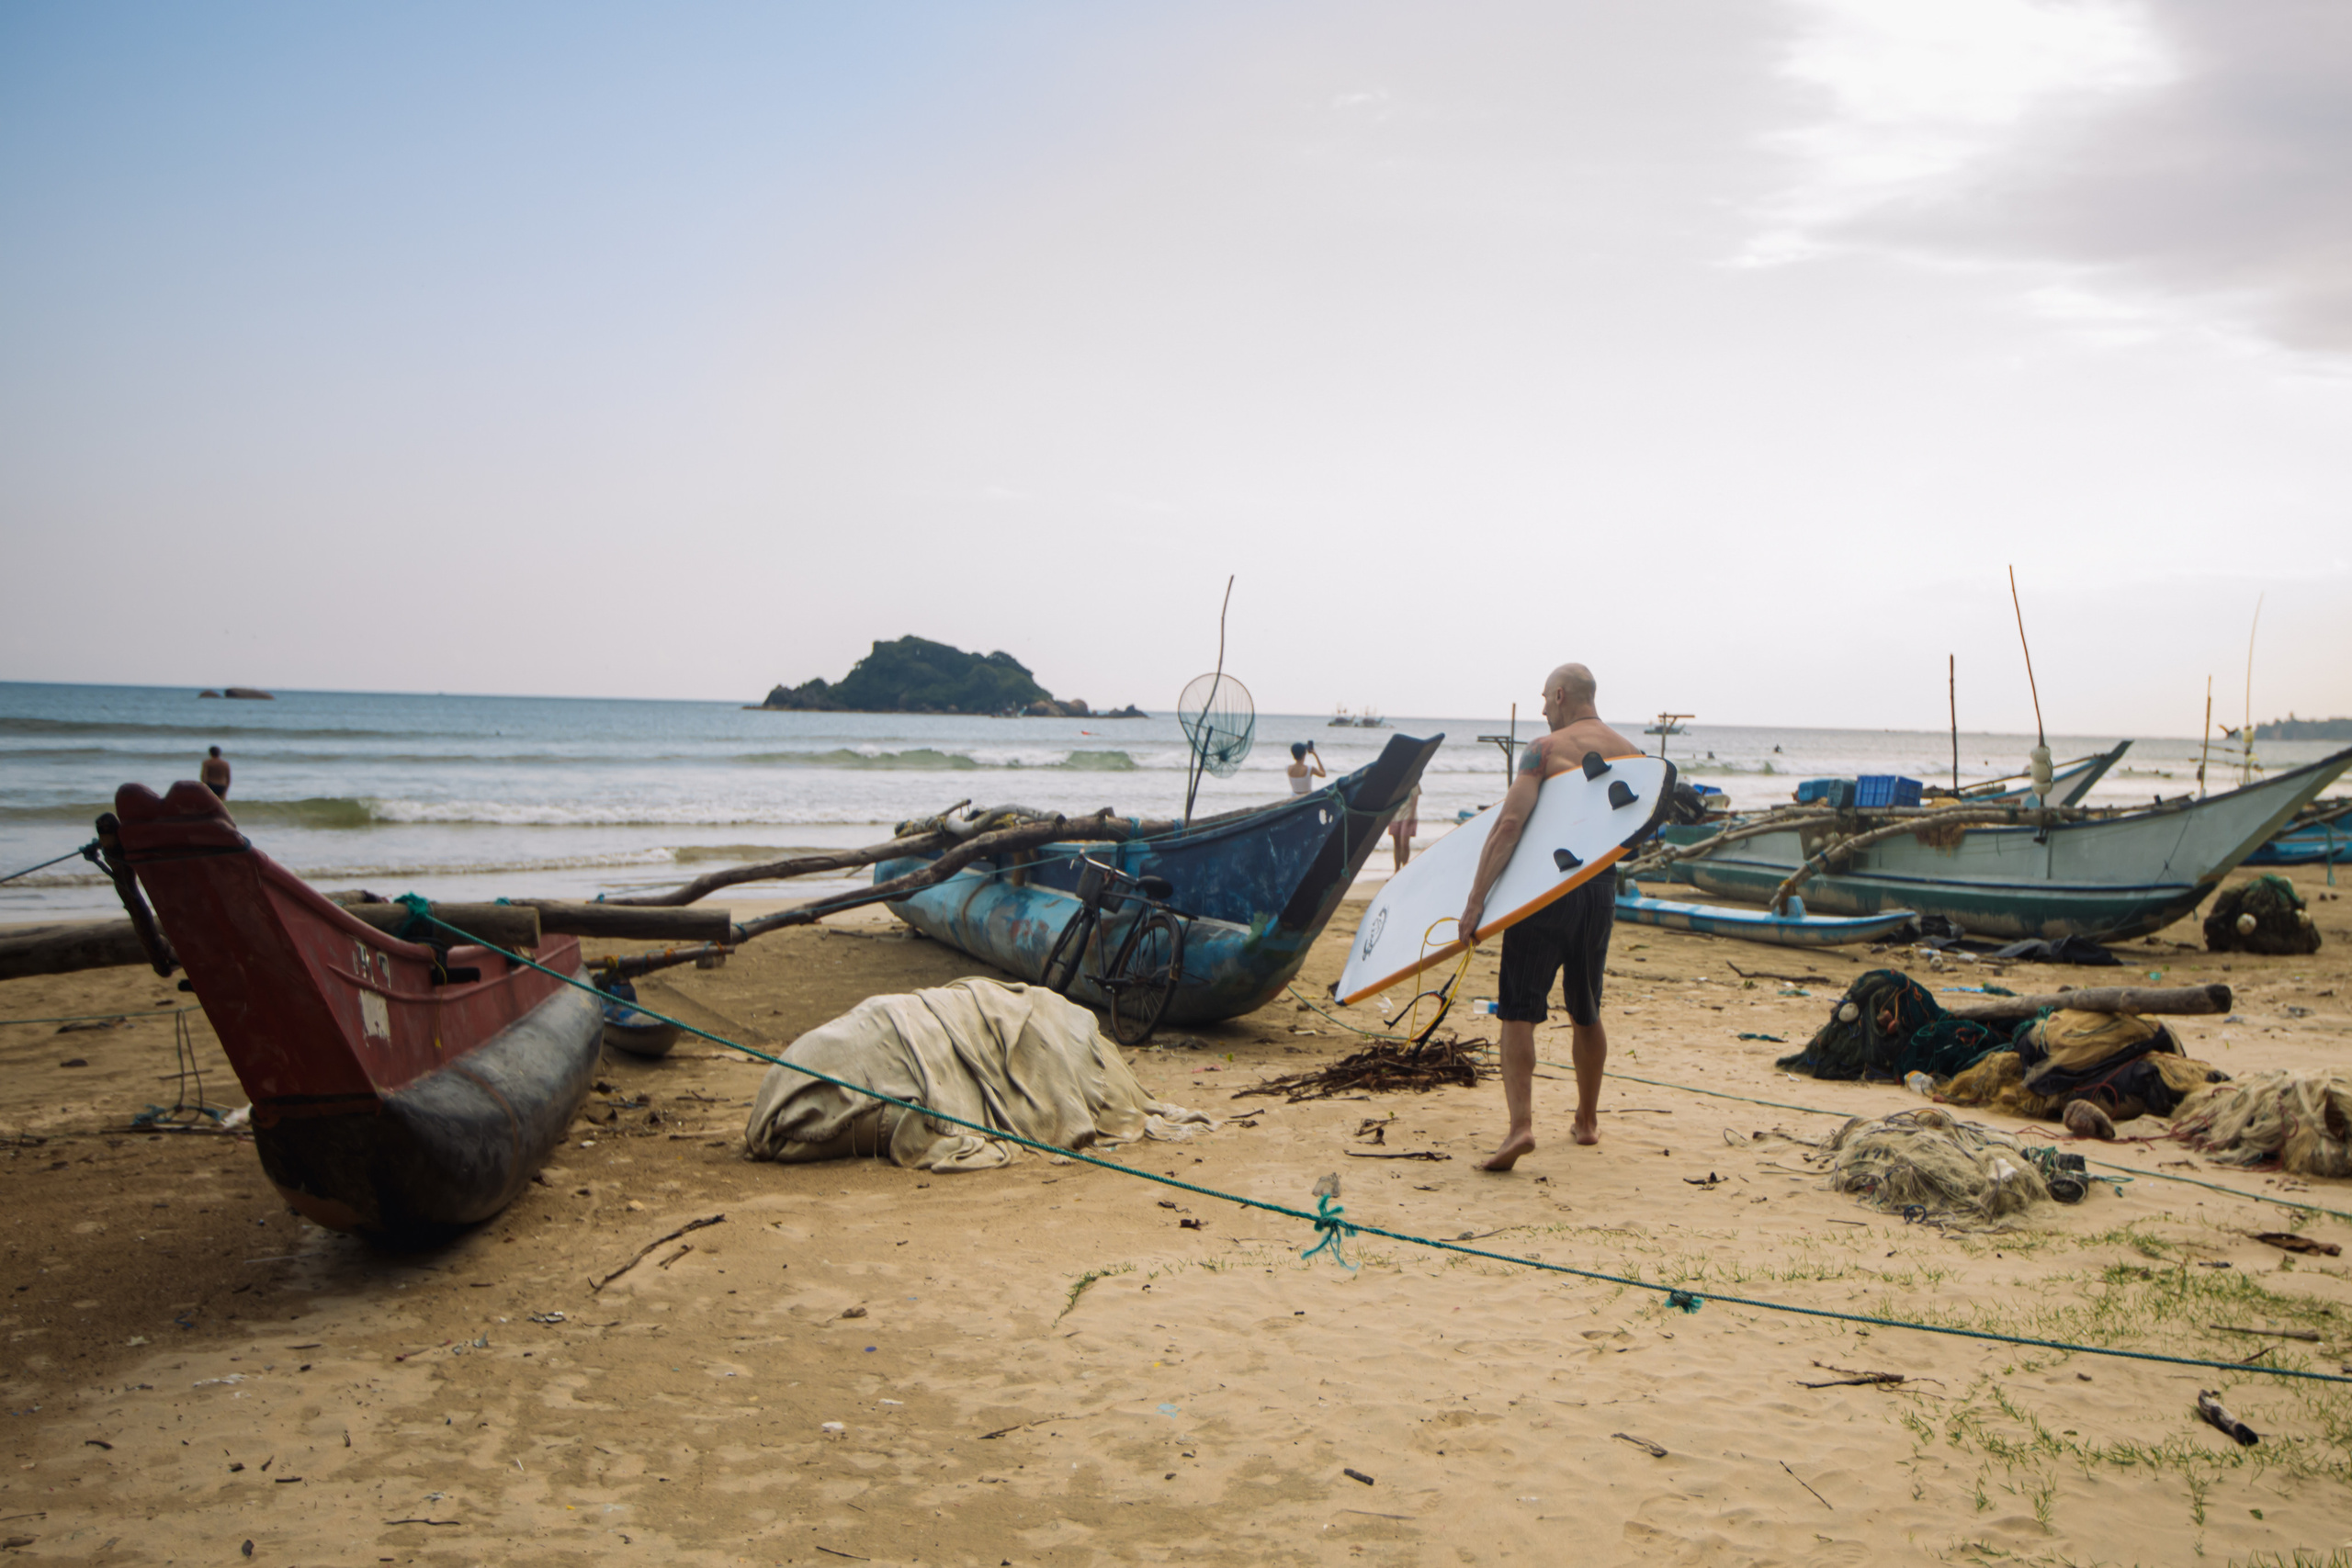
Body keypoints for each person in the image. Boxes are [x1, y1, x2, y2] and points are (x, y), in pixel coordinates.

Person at [1457, 663, 1636, 1172]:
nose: (1541, 710)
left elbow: (1509, 823)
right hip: (1600, 890)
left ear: (1560, 695)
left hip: (1545, 891)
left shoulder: (1543, 749)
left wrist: (1475, 900)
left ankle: (1520, 1128)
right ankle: (1586, 1120)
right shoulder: (1631, 752)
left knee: (1518, 1010)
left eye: (1544, 699)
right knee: (1587, 1007)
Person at [1388, 784, 1419, 870]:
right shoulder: (1394, 778)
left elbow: (1416, 794)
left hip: (1407, 813)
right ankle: (1396, 870)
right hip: (1394, 813)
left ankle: (1404, 869)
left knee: (1404, 843)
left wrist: (1412, 814)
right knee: (1396, 843)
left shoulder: (1412, 776)